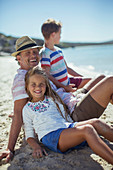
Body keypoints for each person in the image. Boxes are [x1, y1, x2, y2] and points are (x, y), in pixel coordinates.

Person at [0, 36, 109, 162]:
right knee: (110, 82)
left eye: (35, 51)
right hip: (72, 112)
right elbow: (19, 112)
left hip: (71, 98)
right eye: (28, 53)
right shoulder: (21, 80)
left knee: (101, 78)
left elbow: (46, 93)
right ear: (19, 58)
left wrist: (67, 88)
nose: (33, 55)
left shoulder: (37, 72)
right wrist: (9, 148)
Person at [22, 66, 113, 165]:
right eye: (33, 85)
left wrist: (76, 127)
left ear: (46, 85)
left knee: (96, 122)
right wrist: (36, 147)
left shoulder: (53, 99)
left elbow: (66, 118)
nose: (38, 87)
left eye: (41, 84)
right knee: (88, 129)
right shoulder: (27, 109)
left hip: (66, 127)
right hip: (51, 136)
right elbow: (29, 135)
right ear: (27, 86)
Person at [40, 18, 92, 93]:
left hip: (68, 82)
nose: (60, 37)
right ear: (53, 35)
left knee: (93, 81)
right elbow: (47, 75)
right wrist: (65, 87)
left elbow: (67, 68)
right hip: (62, 88)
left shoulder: (58, 50)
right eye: (59, 34)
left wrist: (81, 77)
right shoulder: (45, 53)